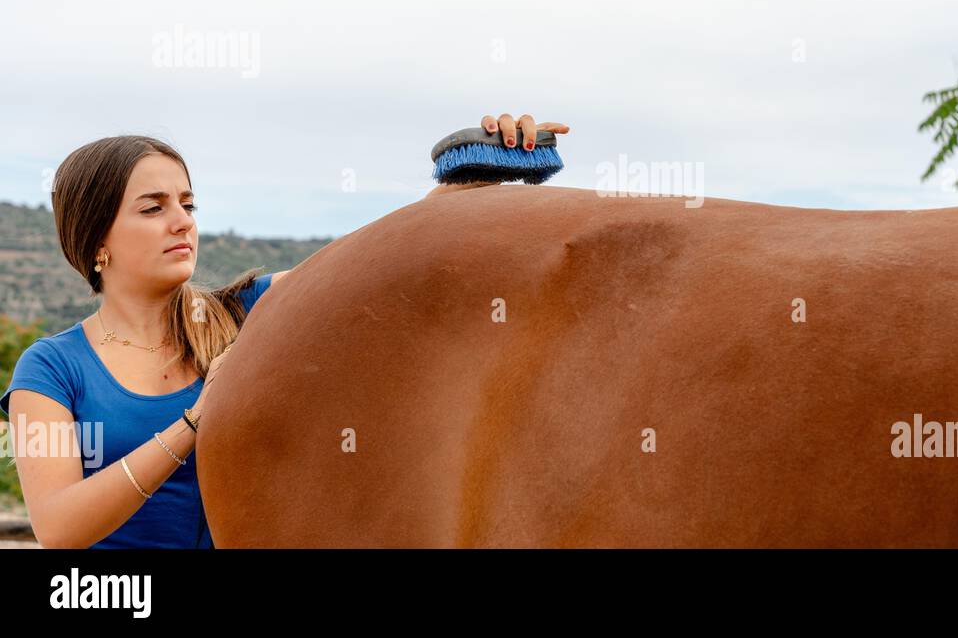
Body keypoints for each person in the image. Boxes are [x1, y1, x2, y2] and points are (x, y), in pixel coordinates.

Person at [0, 113, 568, 548]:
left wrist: (470, 174)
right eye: (152, 208)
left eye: (188, 203)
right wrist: (196, 421)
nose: (183, 222)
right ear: (97, 241)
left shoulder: (249, 313)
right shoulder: (48, 368)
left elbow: (373, 260)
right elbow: (58, 527)